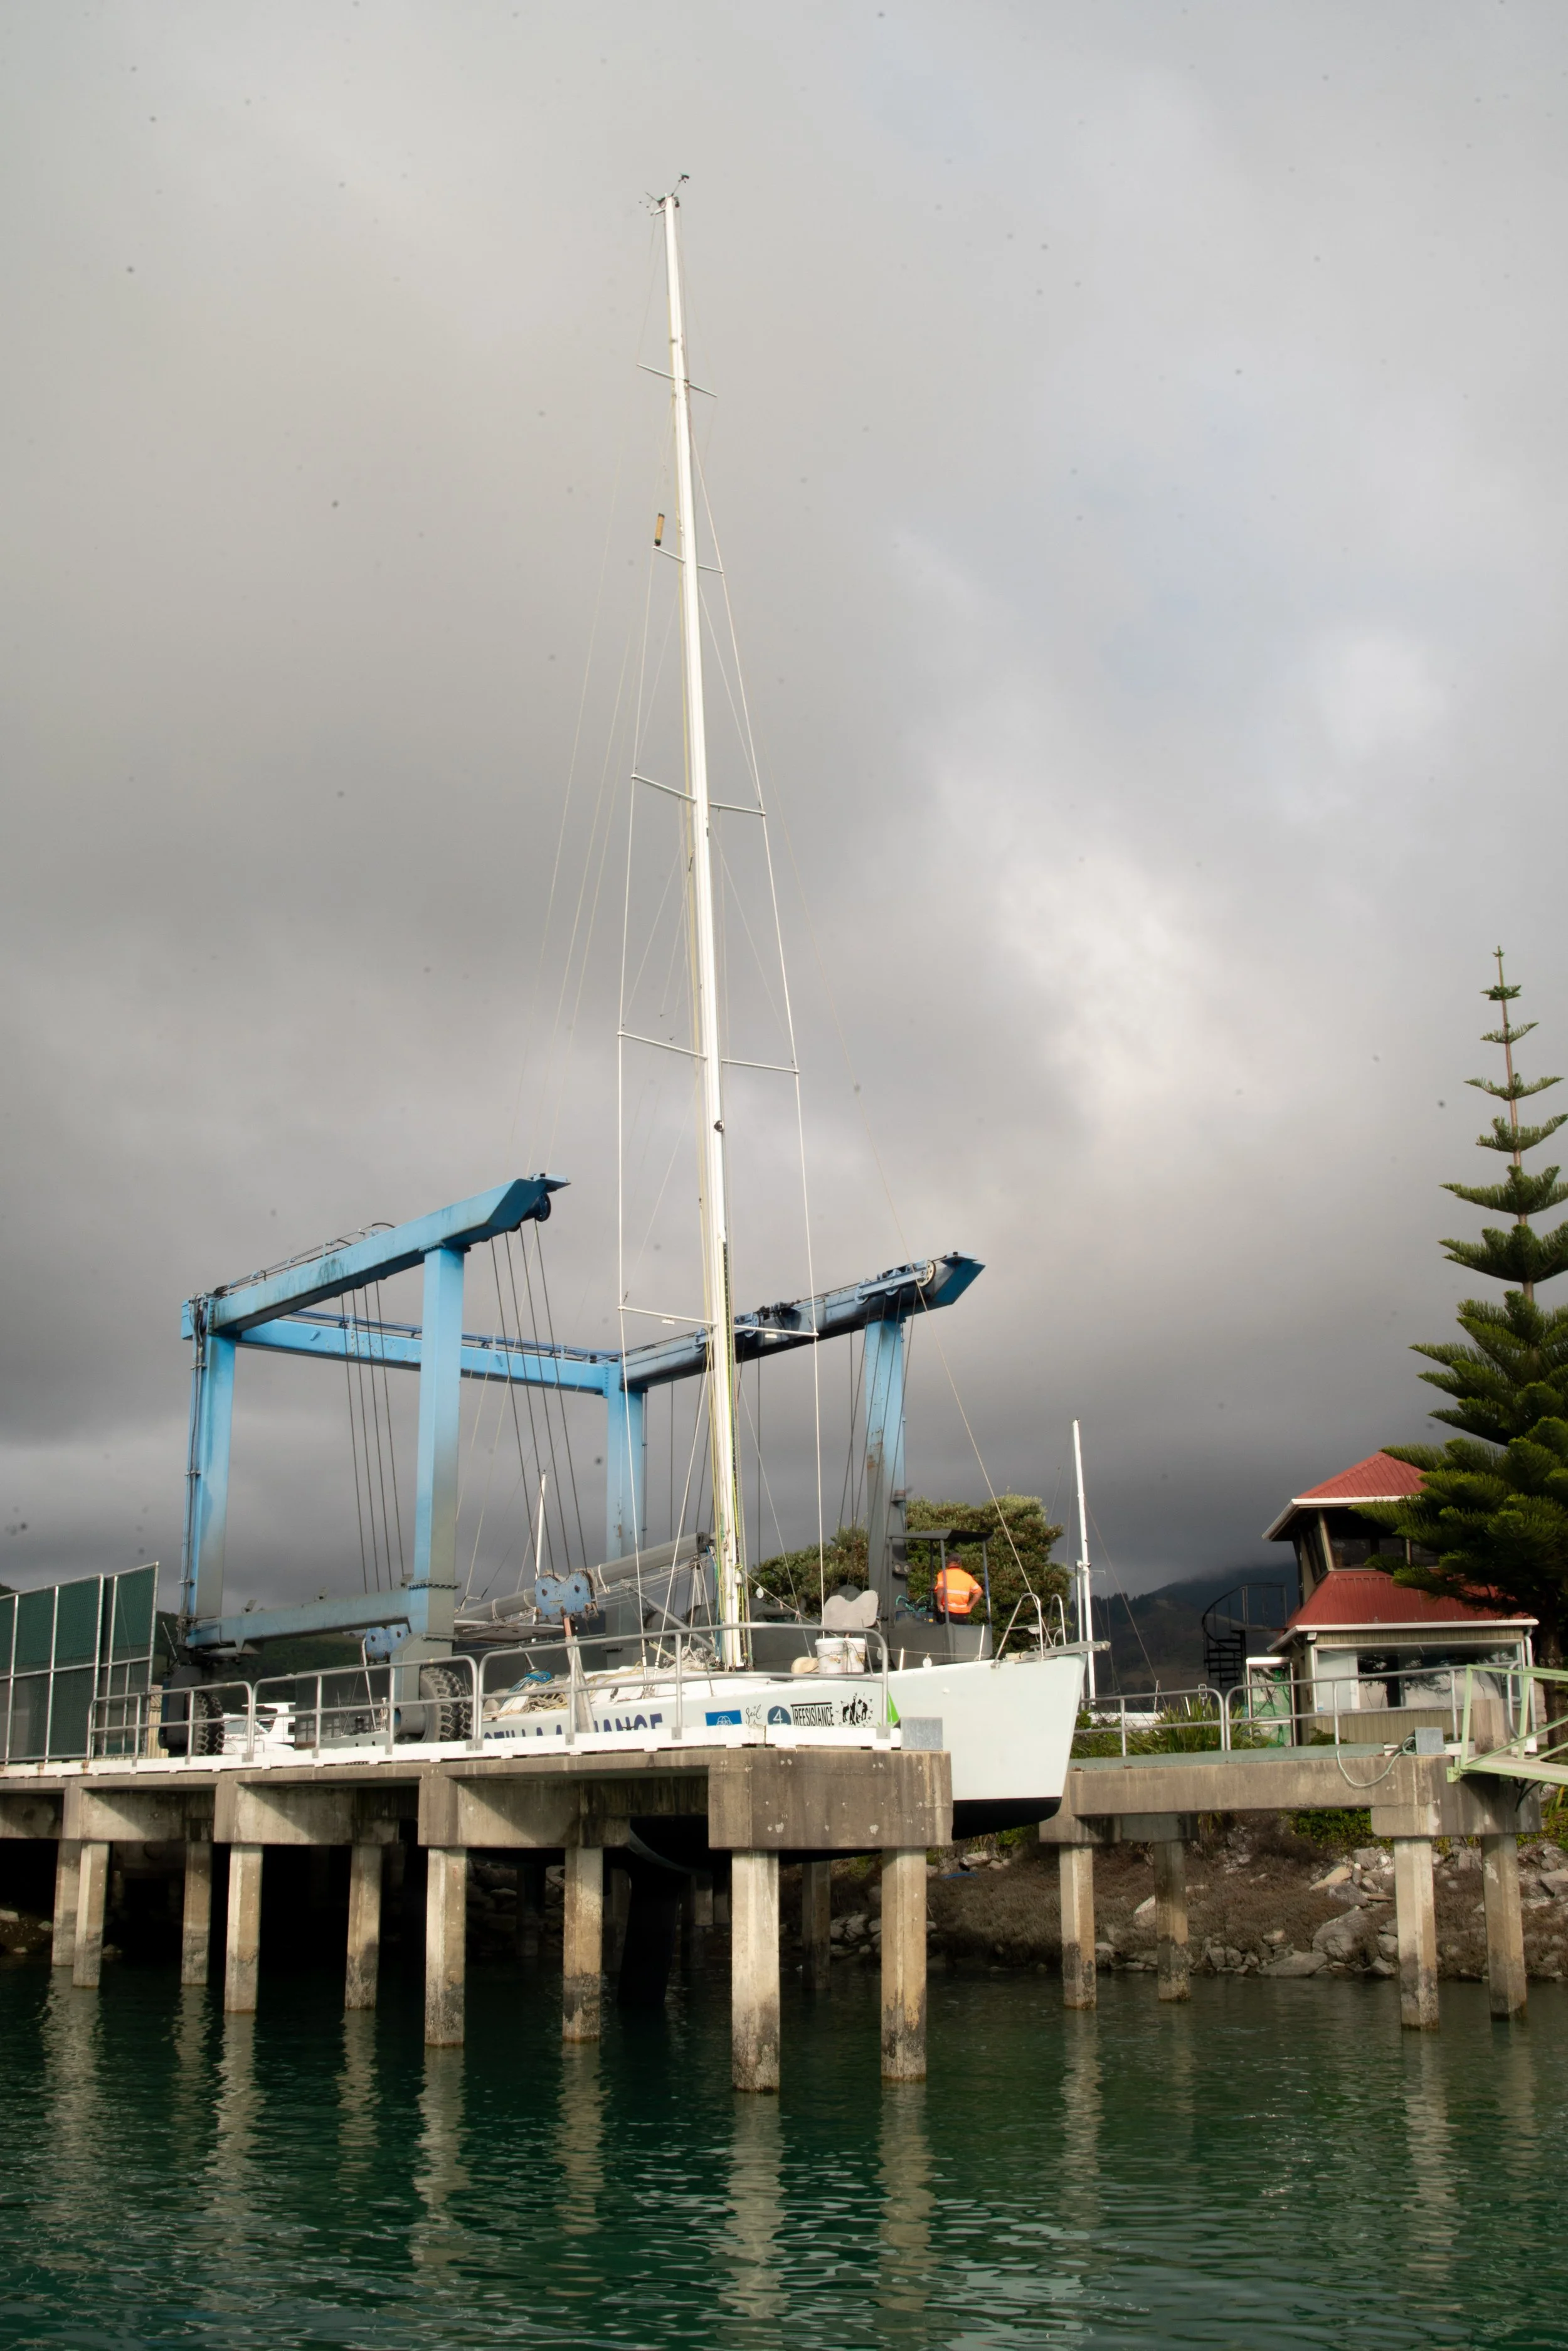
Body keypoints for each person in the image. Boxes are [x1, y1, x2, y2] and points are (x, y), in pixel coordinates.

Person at [932, 1556, 982, 1621]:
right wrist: (970, 1607)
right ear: (960, 1563)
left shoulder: (943, 1574)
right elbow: (979, 1592)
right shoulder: (967, 1577)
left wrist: (939, 1605)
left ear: (948, 1563)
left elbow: (941, 1589)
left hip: (948, 1611)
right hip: (963, 1613)